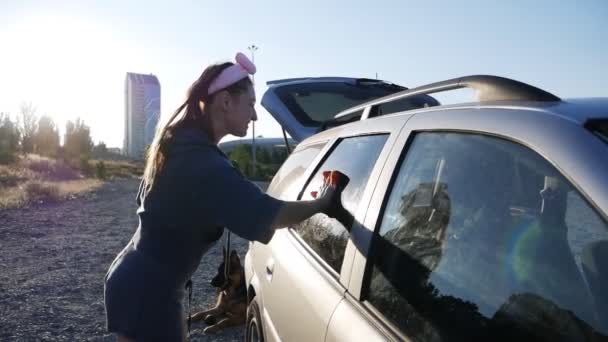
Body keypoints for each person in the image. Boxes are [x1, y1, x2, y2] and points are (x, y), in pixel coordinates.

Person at [104, 52, 340, 342]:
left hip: (137, 281)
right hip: (150, 293)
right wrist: (322, 203)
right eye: (251, 104)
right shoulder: (201, 161)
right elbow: (268, 213)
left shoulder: (179, 144)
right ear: (226, 102)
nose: (254, 116)